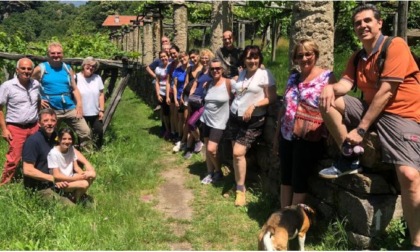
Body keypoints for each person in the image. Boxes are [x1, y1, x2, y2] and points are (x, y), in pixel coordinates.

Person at [317, 4, 420, 249]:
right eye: (357, 23)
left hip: (402, 115)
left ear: (379, 23)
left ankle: (416, 242)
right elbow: (344, 84)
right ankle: (349, 156)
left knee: (409, 176)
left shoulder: (395, 46)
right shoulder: (358, 56)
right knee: (326, 101)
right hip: (370, 109)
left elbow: (386, 92)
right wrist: (329, 88)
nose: (362, 26)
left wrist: (361, 130)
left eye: (367, 21)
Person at [273, 39, 335, 208]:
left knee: (299, 179)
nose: (305, 58)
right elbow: (284, 107)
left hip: (308, 135)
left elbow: (333, 107)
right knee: (286, 178)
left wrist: (331, 131)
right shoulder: (293, 77)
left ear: (316, 54)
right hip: (287, 133)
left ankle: (290, 220)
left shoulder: (326, 77)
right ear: (295, 58)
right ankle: (283, 213)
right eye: (300, 55)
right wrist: (277, 135)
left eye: (309, 54)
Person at [229, 45, 276, 207]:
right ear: (244, 59)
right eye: (249, 57)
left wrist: (254, 105)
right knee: (237, 155)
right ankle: (238, 183)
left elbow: (272, 98)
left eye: (255, 57)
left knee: (238, 152)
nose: (252, 61)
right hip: (235, 117)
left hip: (253, 120)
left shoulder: (265, 74)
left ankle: (241, 190)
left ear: (260, 59)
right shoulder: (242, 74)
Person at [22, 108, 96, 203]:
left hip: (59, 180)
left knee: (89, 177)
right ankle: (73, 197)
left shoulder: (55, 136)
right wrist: (53, 179)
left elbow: (72, 149)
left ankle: (74, 195)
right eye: (45, 120)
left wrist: (87, 163)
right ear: (39, 123)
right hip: (42, 186)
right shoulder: (33, 142)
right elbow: (27, 170)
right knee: (71, 209)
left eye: (53, 120)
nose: (50, 123)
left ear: (56, 122)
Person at [32, 42, 92, 151]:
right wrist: (38, 100)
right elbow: (30, 85)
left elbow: (74, 88)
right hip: (51, 109)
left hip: (69, 107)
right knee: (48, 135)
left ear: (62, 54)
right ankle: (48, 156)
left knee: (85, 131)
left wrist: (79, 104)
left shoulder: (67, 68)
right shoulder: (41, 68)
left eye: (58, 53)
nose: (56, 55)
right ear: (48, 54)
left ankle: (88, 155)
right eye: (53, 53)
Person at [0, 58, 40, 185]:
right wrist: (4, 129)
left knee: (35, 155)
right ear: (17, 70)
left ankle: (33, 181)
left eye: (29, 69)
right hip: (16, 127)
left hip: (33, 127)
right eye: (23, 68)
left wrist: (38, 121)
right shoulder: (7, 86)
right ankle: (4, 184)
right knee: (14, 158)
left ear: (32, 70)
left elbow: (38, 102)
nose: (26, 71)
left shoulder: (36, 85)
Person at [200, 59, 232, 184]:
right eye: (212, 69)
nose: (215, 71)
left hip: (219, 122)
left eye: (218, 68)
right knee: (208, 149)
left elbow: (243, 89)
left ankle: (218, 172)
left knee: (211, 149)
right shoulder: (209, 84)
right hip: (206, 120)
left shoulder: (229, 83)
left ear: (222, 69)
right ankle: (210, 172)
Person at [183, 49, 214, 159]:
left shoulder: (212, 71)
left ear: (210, 59)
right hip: (195, 101)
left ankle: (198, 141)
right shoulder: (200, 73)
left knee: (191, 123)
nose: (204, 60)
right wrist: (190, 96)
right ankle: (192, 145)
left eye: (207, 58)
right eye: (203, 58)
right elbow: (194, 84)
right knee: (190, 123)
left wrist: (210, 82)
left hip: (204, 104)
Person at [48, 128, 94, 203]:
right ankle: (75, 199)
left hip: (71, 176)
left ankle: (77, 194)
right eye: (64, 139)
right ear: (59, 139)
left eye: (69, 139)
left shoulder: (71, 149)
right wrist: (78, 178)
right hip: (61, 182)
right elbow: (56, 175)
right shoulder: (53, 153)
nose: (67, 141)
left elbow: (76, 167)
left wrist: (83, 174)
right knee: (84, 183)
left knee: (92, 174)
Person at [173, 49, 203, 153]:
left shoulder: (203, 69)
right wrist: (181, 95)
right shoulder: (189, 69)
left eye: (194, 57)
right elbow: (186, 83)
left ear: (199, 56)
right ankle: (185, 141)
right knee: (186, 119)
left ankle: (190, 141)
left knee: (191, 119)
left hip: (197, 98)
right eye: (191, 58)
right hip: (187, 97)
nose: (193, 59)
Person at [76, 57, 105, 150]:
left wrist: (101, 110)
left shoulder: (97, 78)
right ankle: (84, 151)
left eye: (93, 66)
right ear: (83, 65)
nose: (91, 67)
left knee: (98, 131)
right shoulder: (76, 78)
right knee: (82, 133)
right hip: (81, 112)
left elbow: (101, 94)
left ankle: (97, 151)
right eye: (88, 65)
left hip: (95, 112)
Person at [172, 52, 189, 152]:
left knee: (187, 118)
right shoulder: (177, 71)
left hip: (188, 97)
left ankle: (185, 139)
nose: (182, 59)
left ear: (187, 57)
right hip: (179, 97)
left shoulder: (191, 68)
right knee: (180, 118)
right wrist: (175, 98)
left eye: (184, 57)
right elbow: (174, 85)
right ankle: (180, 137)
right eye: (180, 58)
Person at [155, 50, 171, 139]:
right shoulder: (158, 68)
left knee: (171, 113)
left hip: (171, 92)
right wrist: (158, 94)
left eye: (164, 56)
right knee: (165, 112)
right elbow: (157, 82)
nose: (163, 58)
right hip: (162, 92)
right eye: (161, 57)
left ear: (168, 56)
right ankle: (167, 129)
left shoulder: (171, 67)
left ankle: (171, 130)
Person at [167, 45, 181, 141]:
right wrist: (167, 95)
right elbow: (168, 81)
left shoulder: (185, 64)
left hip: (181, 92)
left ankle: (179, 133)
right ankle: (173, 132)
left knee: (179, 115)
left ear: (178, 52)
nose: (173, 55)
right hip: (172, 92)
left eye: (174, 53)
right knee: (173, 114)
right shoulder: (170, 66)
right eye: (171, 54)